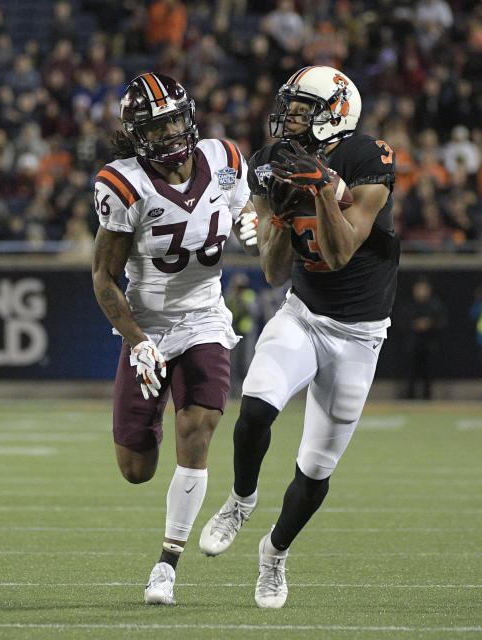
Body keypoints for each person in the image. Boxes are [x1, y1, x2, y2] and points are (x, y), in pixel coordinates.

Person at [198, 66, 398, 609]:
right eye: (288, 106)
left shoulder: (368, 158)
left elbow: (339, 253)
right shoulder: (268, 163)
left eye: (301, 109)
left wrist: (323, 192)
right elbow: (273, 270)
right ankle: (241, 499)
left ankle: (275, 554)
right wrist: (282, 217)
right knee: (256, 409)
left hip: (359, 334)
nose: (288, 117)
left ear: (335, 112)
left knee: (315, 469)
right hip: (303, 314)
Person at [89, 72, 259, 606]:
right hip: (149, 323)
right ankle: (152, 416)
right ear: (138, 135)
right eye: (157, 127)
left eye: (175, 121)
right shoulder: (124, 184)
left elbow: (243, 212)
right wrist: (137, 340)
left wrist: (254, 224)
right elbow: (103, 277)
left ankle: (167, 564)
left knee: (201, 425)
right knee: (136, 469)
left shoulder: (227, 159)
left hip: (205, 315)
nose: (171, 134)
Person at [403, 276, 447, 399]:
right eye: (419, 289)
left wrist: (429, 324)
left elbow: (442, 322)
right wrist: (414, 325)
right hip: (413, 344)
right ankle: (410, 396)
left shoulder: (435, 305)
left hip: (429, 344)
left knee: (429, 372)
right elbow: (401, 323)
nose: (421, 292)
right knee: (411, 372)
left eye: (424, 289)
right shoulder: (409, 305)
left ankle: (427, 396)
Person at [225, 272, 259, 398]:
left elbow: (254, 312)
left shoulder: (249, 296)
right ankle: (233, 392)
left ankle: (247, 392)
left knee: (246, 363)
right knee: (233, 364)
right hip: (234, 334)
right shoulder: (230, 297)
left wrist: (243, 301)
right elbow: (228, 313)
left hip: (247, 334)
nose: (240, 290)